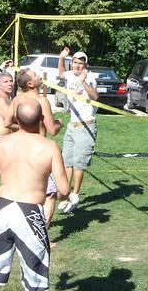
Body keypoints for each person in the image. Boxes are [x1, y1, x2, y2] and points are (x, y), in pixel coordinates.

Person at [0, 98, 70, 291]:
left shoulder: (2, 143)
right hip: (30, 211)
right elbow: (64, 190)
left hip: (2, 207)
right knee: (35, 279)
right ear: (41, 119)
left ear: (16, 118)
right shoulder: (49, 147)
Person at [5, 68, 63, 226]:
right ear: (30, 83)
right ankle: (41, 232)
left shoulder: (17, 99)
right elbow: (52, 130)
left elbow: (7, 123)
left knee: (23, 189)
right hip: (39, 151)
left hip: (18, 149)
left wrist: (24, 129)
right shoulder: (42, 101)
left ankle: (20, 225)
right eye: (36, 75)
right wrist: (60, 123)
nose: (40, 76)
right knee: (50, 193)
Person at [56, 46, 98, 214]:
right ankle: (66, 194)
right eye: (75, 62)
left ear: (85, 65)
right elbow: (61, 73)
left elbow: (95, 97)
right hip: (72, 125)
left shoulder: (90, 78)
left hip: (86, 125)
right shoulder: (68, 74)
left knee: (79, 164)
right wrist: (61, 58)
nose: (77, 66)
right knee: (67, 161)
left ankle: (75, 195)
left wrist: (83, 81)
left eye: (80, 63)